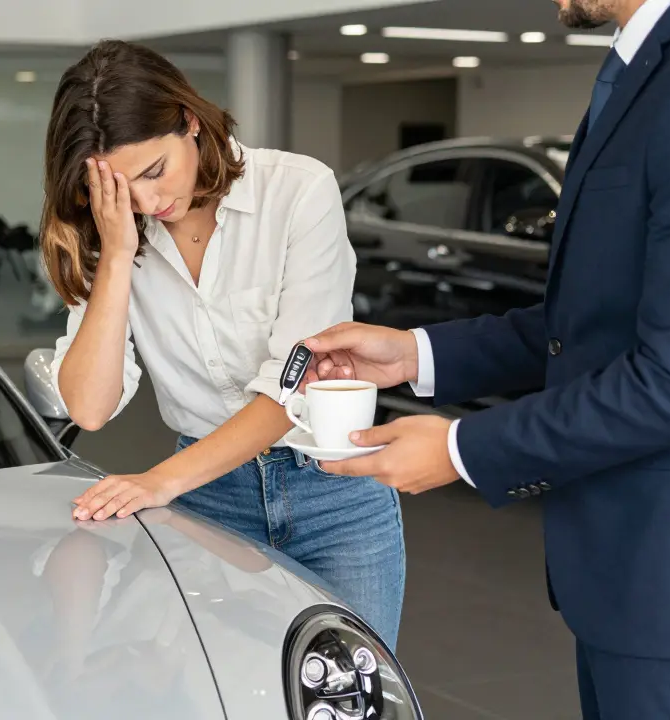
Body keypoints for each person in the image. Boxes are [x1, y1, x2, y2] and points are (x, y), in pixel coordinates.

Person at [302, 0, 670, 716]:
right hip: (637, 589)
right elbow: (586, 326)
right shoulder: (648, 63)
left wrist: (464, 449)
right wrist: (412, 354)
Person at [38, 39, 405, 648]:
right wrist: (119, 258)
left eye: (155, 172)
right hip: (208, 497)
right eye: (122, 189)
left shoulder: (298, 192)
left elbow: (290, 387)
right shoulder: (116, 231)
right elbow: (90, 407)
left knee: (348, 697)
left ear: (189, 122)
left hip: (333, 495)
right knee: (221, 691)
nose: (149, 202)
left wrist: (160, 480)